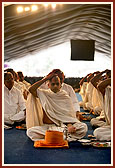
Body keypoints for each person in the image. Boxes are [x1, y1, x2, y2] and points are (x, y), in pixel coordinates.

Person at [26, 72, 87, 142]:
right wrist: (45, 79)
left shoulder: (65, 97)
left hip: (61, 127)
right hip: (47, 127)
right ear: (48, 85)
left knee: (83, 127)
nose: (55, 86)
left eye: (57, 84)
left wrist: (69, 126)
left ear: (60, 85)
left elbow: (68, 117)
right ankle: (62, 136)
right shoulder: (44, 94)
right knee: (30, 131)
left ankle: (56, 136)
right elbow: (31, 90)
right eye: (53, 84)